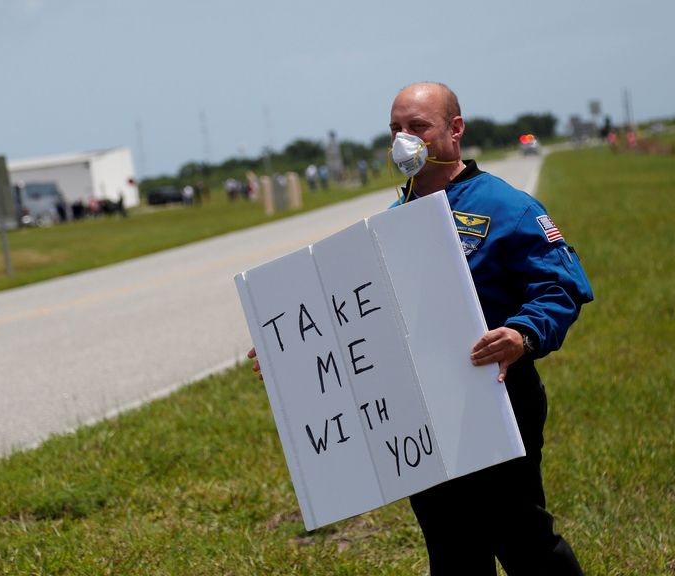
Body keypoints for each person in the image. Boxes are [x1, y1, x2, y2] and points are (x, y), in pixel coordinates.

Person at [249, 82, 593, 574]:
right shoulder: (392, 222)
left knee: (519, 535)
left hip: (495, 398)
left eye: (418, 128)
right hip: (419, 410)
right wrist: (286, 356)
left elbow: (562, 287)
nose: (403, 141)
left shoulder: (508, 207)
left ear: (455, 131)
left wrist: (521, 334)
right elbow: (356, 315)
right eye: (395, 129)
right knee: (451, 548)